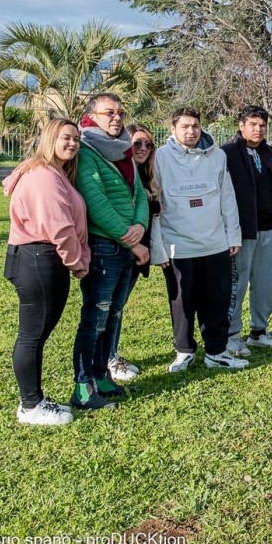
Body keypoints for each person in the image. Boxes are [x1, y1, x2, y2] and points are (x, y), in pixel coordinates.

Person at [3, 118, 90, 425]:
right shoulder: (43, 176)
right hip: (38, 258)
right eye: (66, 137)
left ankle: (35, 400)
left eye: (76, 139)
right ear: (49, 138)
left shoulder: (54, 173)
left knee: (36, 334)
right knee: (31, 336)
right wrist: (77, 261)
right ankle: (30, 406)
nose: (72, 143)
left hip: (40, 258)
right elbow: (60, 227)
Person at [150, 108, 247, 373]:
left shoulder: (217, 156)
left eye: (195, 126)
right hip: (178, 246)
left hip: (215, 243)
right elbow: (155, 205)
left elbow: (227, 196)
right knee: (182, 303)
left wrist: (232, 234)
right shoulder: (159, 158)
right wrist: (158, 250)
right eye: (185, 127)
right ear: (173, 129)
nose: (191, 131)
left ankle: (216, 351)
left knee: (216, 299)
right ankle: (184, 351)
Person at [73, 93, 150, 410]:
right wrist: (130, 238)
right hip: (105, 244)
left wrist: (141, 227)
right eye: (109, 113)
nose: (117, 118)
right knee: (96, 316)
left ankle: (101, 373)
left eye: (120, 112)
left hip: (129, 242)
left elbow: (140, 195)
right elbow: (95, 200)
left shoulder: (124, 148)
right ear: (92, 115)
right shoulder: (88, 149)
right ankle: (83, 385)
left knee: (114, 314)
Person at [222, 105, 272, 356]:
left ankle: (259, 332)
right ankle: (231, 336)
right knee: (237, 285)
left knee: (265, 285)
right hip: (243, 233)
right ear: (241, 125)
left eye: (262, 125)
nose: (258, 129)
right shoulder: (227, 154)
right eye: (253, 124)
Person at [105, 124, 161, 382]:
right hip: (121, 247)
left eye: (148, 145)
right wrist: (133, 244)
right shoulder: (121, 173)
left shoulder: (147, 176)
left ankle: (110, 355)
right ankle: (108, 360)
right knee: (110, 308)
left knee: (118, 307)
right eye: (137, 143)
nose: (143, 149)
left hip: (138, 253)